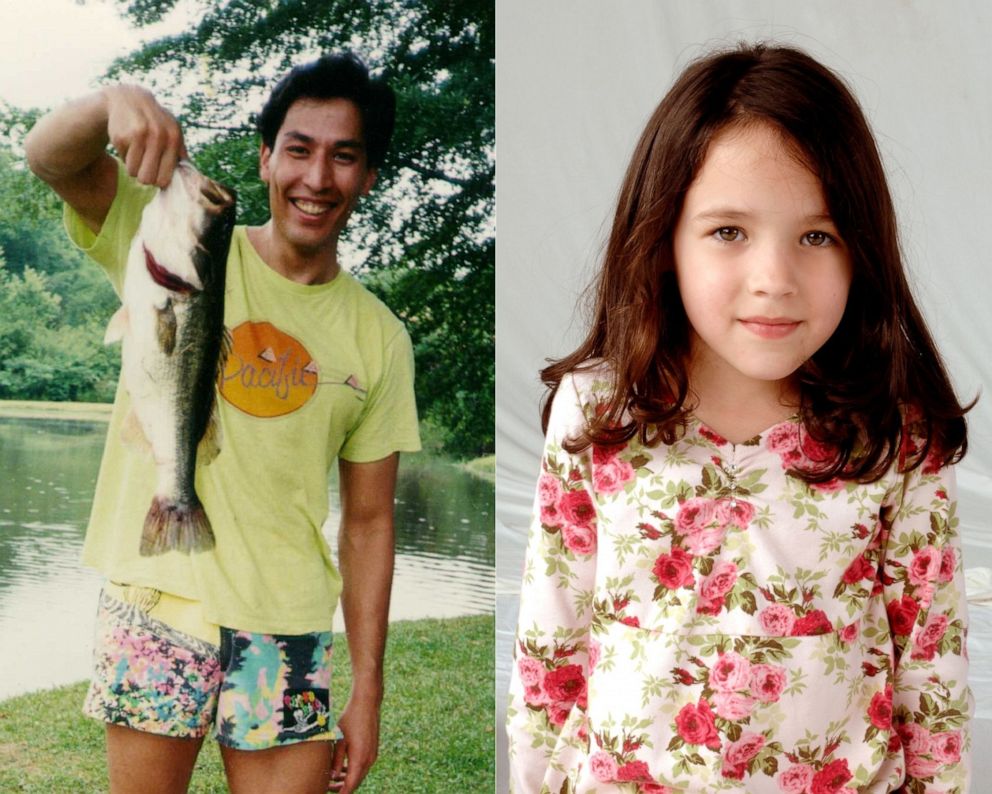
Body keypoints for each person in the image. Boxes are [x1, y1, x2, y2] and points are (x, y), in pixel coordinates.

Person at [506, 43, 972, 794]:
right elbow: (549, 653)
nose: (775, 280)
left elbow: (932, 667)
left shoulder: (894, 431)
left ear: (862, 250)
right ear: (664, 242)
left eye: (817, 237)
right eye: (729, 232)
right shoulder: (597, 411)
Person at [25, 53, 420, 794]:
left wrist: (367, 688)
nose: (316, 177)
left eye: (345, 156)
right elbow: (48, 156)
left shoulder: (380, 337)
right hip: (156, 599)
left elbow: (368, 523)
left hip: (289, 623)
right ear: (266, 158)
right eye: (298, 149)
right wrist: (115, 98)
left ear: (369, 177)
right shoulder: (173, 243)